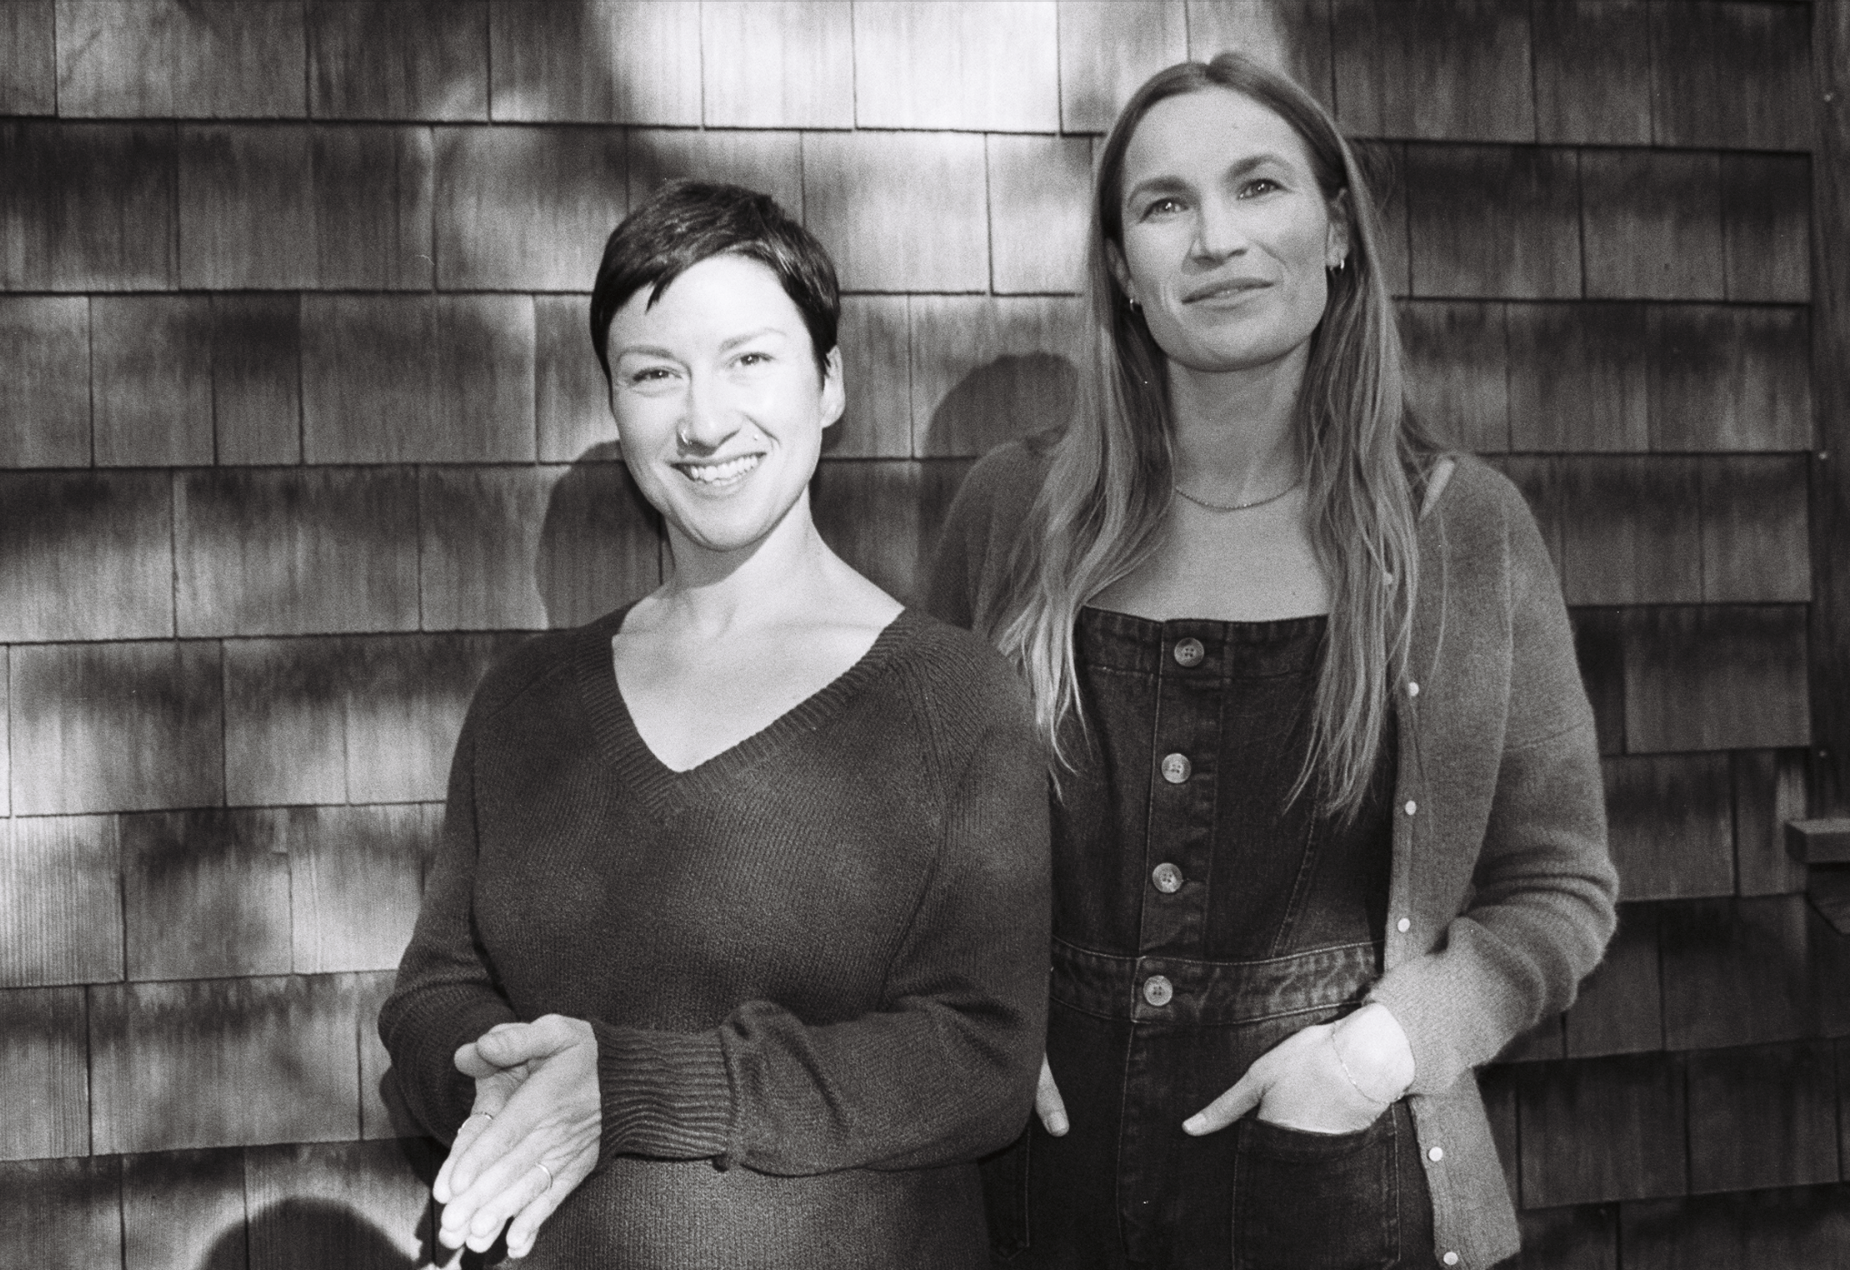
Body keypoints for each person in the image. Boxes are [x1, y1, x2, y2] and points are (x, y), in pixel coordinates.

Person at [928, 53, 1616, 1270]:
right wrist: (973, 1013)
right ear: (1122, 276)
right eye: (1163, 205)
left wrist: (1373, 1056)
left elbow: (1556, 887)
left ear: (1335, 231)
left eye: (1257, 188)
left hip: (1342, 1179)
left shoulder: (1458, 529)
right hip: (1039, 1185)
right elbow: (913, 834)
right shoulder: (1014, 512)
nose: (1213, 240)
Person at [379, 181, 1051, 1269]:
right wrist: (496, 1071)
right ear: (615, 403)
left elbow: (979, 1061)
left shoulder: (952, 697)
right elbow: (430, 990)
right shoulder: (525, 702)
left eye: (748, 360)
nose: (701, 420)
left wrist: (624, 1088)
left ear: (827, 383)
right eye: (653, 374)